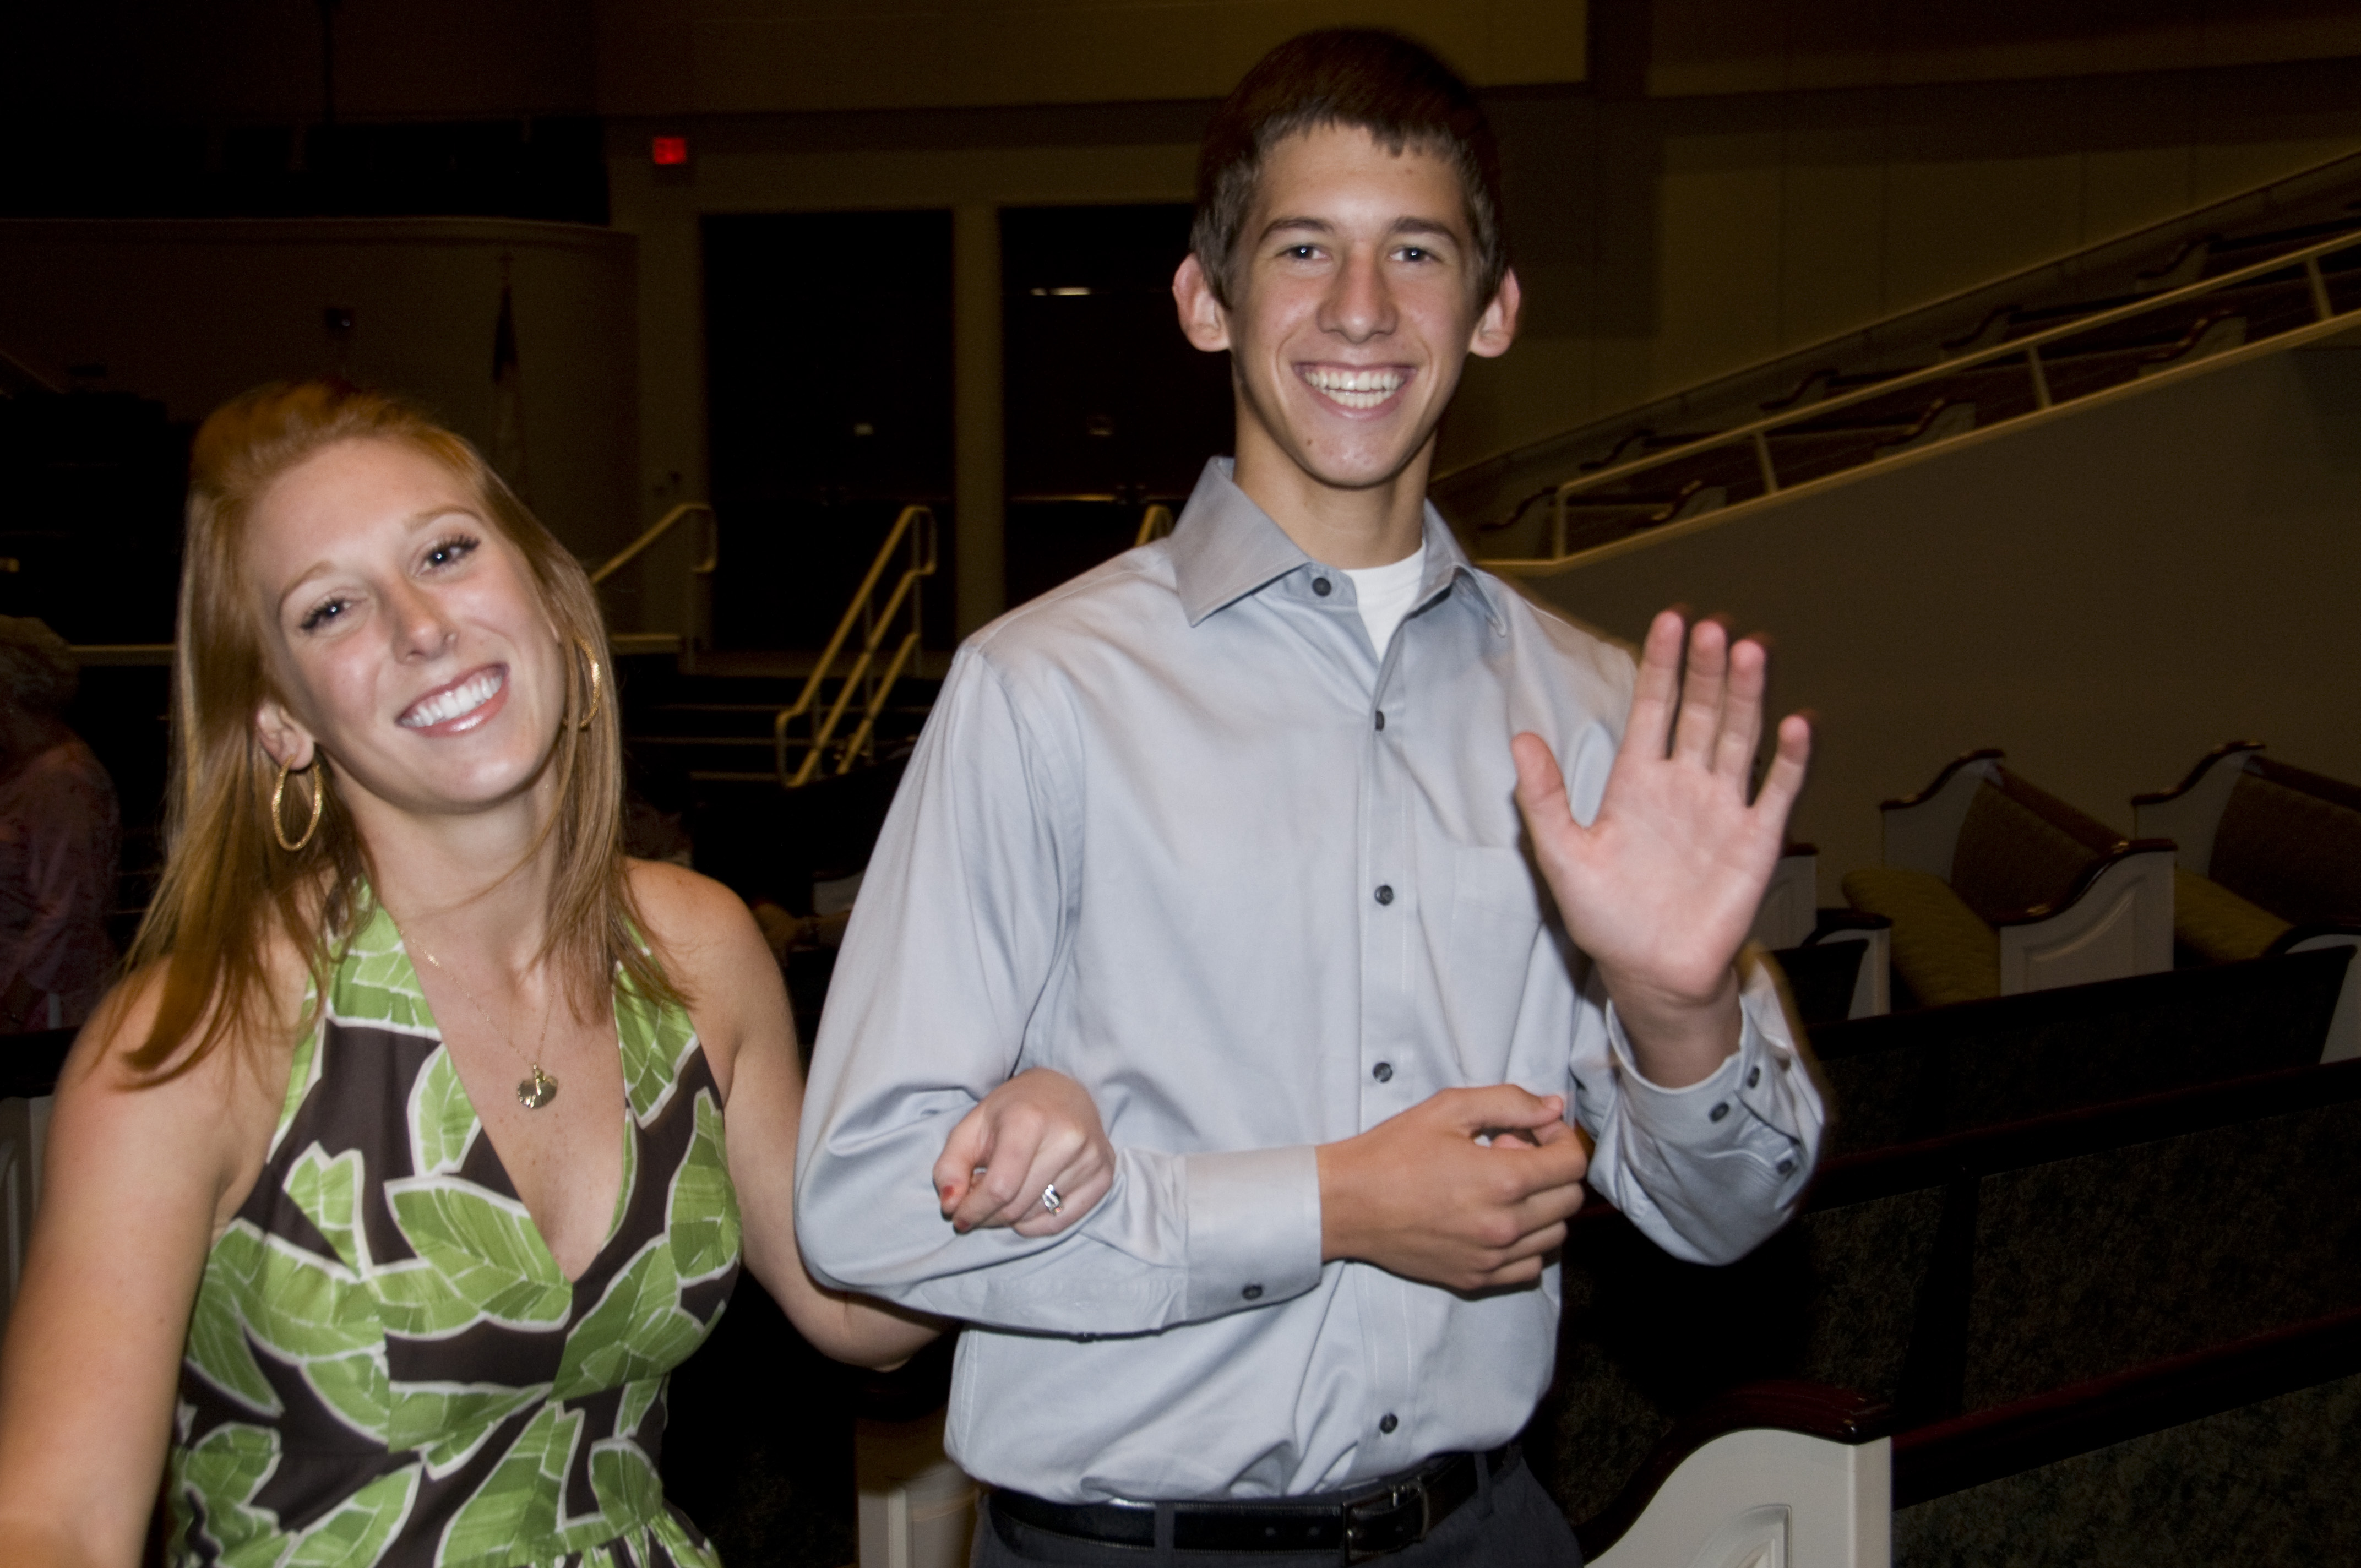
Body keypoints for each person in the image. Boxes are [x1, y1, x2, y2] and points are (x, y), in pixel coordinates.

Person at [797, 29, 1827, 1566]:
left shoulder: (1594, 709)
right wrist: (1328, 1205)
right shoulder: (1042, 691)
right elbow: (867, 1204)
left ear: (1493, 309)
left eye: (1417, 251)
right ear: (1204, 299)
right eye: (1302, 248)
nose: (1360, 307)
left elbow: (1730, 1213)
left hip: (1482, 1532)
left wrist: (1678, 1018)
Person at [0, 382, 1112, 1568]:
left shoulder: (693, 946)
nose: (420, 624)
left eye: (445, 552)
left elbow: (852, 1307)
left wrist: (1017, 1157)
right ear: (282, 719)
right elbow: (55, 1517)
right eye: (330, 608)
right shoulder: (195, 1039)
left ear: (546, 592)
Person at [0, 616, 121, 1035]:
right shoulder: (23, 773)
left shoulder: (63, 780)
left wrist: (13, 1011)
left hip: (44, 1008)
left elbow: (69, 911)